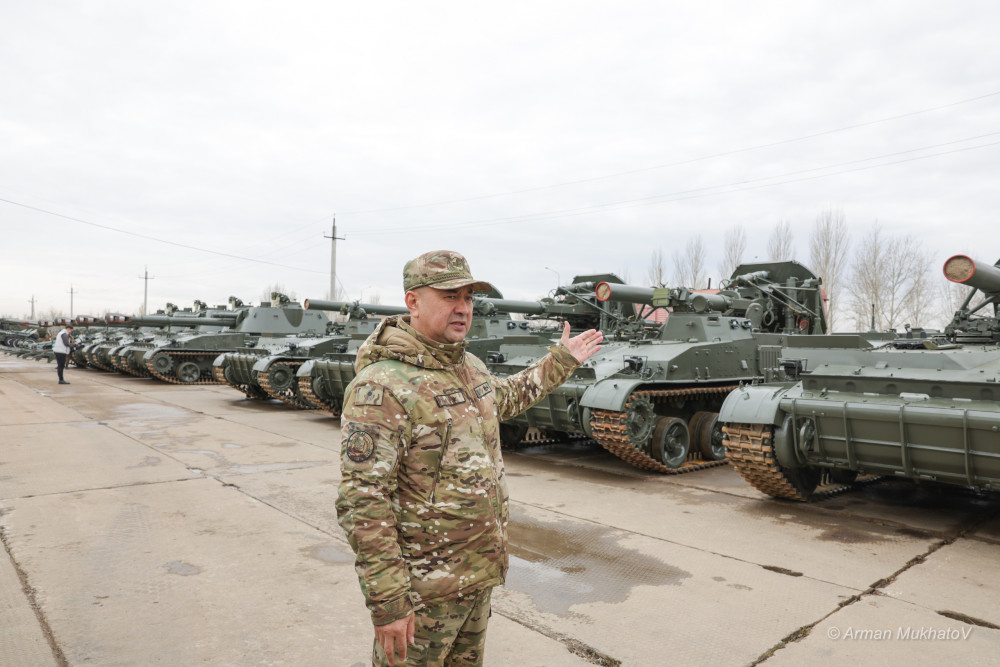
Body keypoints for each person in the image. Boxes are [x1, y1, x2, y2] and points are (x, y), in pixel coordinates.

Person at [336, 250, 603, 666]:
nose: (463, 309)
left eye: (469, 298)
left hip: (477, 577)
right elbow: (363, 501)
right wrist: (388, 601)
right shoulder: (383, 386)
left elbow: (507, 397)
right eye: (448, 296)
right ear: (413, 302)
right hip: (423, 593)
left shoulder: (469, 367)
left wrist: (561, 361)